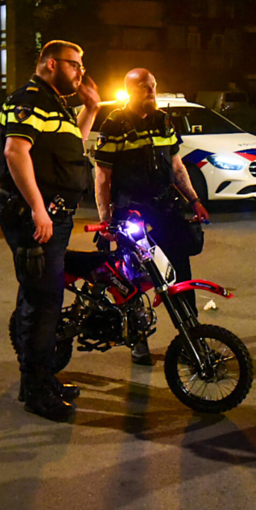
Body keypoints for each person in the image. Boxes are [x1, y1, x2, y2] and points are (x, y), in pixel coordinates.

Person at [0, 40, 100, 422]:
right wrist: (39, 210)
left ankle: (39, 379)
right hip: (34, 217)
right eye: (75, 66)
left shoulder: (55, 104)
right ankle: (37, 391)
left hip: (54, 215)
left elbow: (72, 148)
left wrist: (91, 108)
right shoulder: (29, 100)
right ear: (51, 63)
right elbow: (15, 152)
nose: (81, 73)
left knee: (43, 299)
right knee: (43, 304)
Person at [94, 68, 209, 365]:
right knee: (133, 278)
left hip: (167, 210)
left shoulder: (163, 121)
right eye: (145, 87)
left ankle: (192, 339)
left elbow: (177, 166)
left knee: (181, 274)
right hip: (131, 212)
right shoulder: (115, 124)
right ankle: (138, 340)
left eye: (154, 86)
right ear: (130, 90)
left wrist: (194, 200)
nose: (151, 91)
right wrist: (105, 219)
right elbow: (103, 178)